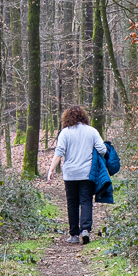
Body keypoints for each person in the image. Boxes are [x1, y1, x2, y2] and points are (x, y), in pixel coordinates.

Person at [46, 105, 107, 245]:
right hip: (87, 173)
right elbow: (102, 150)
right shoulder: (92, 131)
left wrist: (51, 170)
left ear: (66, 118)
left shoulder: (65, 133)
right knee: (86, 201)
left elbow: (59, 152)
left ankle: (74, 234)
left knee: (72, 203)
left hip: (70, 174)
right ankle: (85, 229)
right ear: (83, 117)